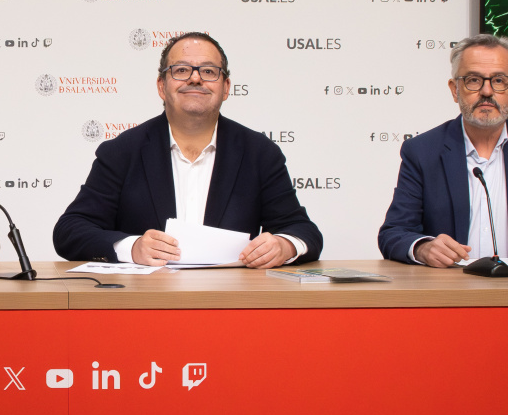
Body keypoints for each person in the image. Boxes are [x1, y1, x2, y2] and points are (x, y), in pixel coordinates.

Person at [53, 31, 322, 267]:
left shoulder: (259, 153)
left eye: (208, 71)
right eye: (181, 70)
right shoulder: (122, 152)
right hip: (144, 306)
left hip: (232, 305)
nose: (195, 79)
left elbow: (303, 231)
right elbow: (70, 231)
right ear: (162, 85)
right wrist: (132, 248)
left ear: (226, 87)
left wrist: (284, 245)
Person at [377, 34, 508, 268]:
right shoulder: (422, 150)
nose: (487, 91)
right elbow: (394, 232)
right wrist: (422, 247)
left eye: (499, 80)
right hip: (448, 291)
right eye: (473, 80)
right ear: (454, 89)